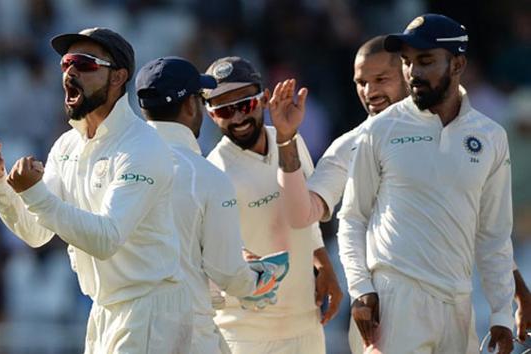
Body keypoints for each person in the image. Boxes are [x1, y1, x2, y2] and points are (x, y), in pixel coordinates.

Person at [273, 35, 531, 353]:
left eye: (381, 79)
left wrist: (515, 291)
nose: (369, 92)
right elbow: (301, 215)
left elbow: (481, 225)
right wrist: (286, 142)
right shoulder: (355, 142)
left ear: (409, 75)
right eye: (361, 82)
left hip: (457, 301)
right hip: (386, 308)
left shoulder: (456, 133)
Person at [0, 27, 192, 353]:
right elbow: (36, 233)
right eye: (65, 63)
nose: (70, 72)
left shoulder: (142, 146)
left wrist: (34, 193)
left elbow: (106, 238)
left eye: (84, 63)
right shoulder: (67, 146)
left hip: (150, 307)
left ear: (118, 77)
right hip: (104, 310)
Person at [338, 14, 515, 353]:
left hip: (459, 302)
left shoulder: (490, 137)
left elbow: (493, 235)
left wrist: (501, 315)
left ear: (458, 63)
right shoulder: (381, 129)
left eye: (426, 61)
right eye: (407, 62)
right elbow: (352, 217)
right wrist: (361, 288)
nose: (413, 73)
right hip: (395, 301)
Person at [135, 56, 288, 354]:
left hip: (119, 328)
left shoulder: (122, 165)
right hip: (185, 331)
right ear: (192, 105)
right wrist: (258, 279)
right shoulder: (205, 176)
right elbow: (228, 272)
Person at [203, 56, 342, 354]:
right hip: (244, 333)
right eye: (225, 110)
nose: (238, 118)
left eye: (246, 105)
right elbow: (211, 249)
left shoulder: (289, 138)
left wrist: (324, 265)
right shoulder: (213, 170)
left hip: (305, 323)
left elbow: (306, 212)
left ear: (264, 99)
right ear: (212, 116)